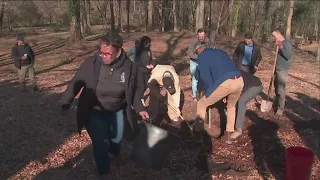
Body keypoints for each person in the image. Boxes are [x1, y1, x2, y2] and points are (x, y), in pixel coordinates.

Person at [60, 32, 149, 180]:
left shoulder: (130, 68)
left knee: (117, 137)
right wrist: (65, 102)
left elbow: (135, 92)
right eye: (101, 53)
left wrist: (140, 109)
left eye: (108, 53)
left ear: (119, 51)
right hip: (94, 109)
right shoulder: (91, 63)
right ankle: (104, 171)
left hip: (117, 109)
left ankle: (113, 155)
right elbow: (76, 82)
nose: (104, 56)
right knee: (100, 140)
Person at [194, 43, 244, 144]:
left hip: (225, 83)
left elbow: (206, 78)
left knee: (202, 103)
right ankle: (228, 137)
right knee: (231, 106)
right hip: (239, 80)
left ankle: (197, 135)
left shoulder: (202, 57)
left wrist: (208, 93)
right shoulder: (220, 51)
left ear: (198, 50)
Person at [230, 70, 263, 139]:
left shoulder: (234, 75)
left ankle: (238, 129)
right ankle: (233, 118)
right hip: (246, 85)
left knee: (241, 101)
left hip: (255, 86)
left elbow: (240, 88)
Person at [271, 30, 293, 116]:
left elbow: (288, 56)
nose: (273, 38)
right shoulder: (278, 43)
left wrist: (281, 46)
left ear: (278, 34)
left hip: (283, 70)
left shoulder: (287, 43)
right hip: (276, 69)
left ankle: (280, 109)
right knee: (276, 88)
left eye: (274, 36)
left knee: (281, 90)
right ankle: (276, 105)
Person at [187, 28, 212, 102]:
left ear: (205, 35)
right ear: (197, 35)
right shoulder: (193, 41)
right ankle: (194, 95)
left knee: (204, 77)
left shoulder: (208, 41)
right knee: (195, 78)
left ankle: (204, 94)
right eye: (200, 36)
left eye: (203, 36)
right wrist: (198, 57)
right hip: (194, 61)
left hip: (204, 62)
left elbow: (210, 51)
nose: (201, 37)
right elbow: (189, 52)